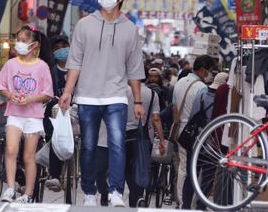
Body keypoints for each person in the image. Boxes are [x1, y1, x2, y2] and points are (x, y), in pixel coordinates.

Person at [60, 0, 146, 207]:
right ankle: (90, 192)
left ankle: (116, 191)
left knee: (117, 143)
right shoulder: (84, 24)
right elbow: (75, 61)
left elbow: (135, 68)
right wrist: (68, 92)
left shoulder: (130, 29)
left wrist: (137, 101)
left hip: (117, 96)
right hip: (87, 96)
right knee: (88, 146)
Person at [0, 25, 54, 203]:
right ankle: (11, 188)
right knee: (11, 149)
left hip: (33, 116)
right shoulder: (10, 64)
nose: (19, 43)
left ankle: (28, 194)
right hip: (14, 113)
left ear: (34, 45)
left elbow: (48, 93)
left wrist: (30, 99)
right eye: (18, 39)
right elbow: (2, 86)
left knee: (29, 156)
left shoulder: (42, 67)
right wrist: (10, 95)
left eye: (23, 40)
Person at [95, 83, 166, 207]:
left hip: (118, 137)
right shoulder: (152, 94)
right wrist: (161, 139)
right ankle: (136, 200)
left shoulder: (119, 90)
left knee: (117, 170)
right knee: (136, 172)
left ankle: (116, 197)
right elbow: (156, 118)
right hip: (139, 139)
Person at [171, 54, 216, 207]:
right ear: (203, 70)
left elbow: (174, 107)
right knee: (191, 170)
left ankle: (181, 200)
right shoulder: (202, 88)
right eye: (210, 71)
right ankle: (186, 202)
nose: (210, 74)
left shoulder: (179, 82)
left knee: (182, 167)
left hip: (180, 130)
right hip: (193, 132)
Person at [181, 71, 228, 209]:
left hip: (196, 141)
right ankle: (200, 206)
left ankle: (185, 206)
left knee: (191, 176)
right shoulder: (223, 99)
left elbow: (192, 118)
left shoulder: (201, 95)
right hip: (212, 144)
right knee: (207, 178)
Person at [45, 36, 70, 192]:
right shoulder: (50, 71)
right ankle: (54, 175)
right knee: (54, 136)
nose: (61, 50)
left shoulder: (77, 70)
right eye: (57, 47)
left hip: (74, 111)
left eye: (64, 46)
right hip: (55, 113)